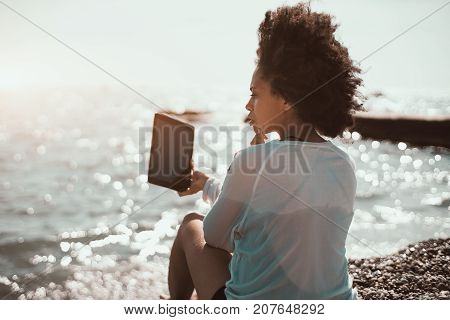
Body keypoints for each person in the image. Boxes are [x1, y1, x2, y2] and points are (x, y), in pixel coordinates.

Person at [163, 2, 365, 300]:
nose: (248, 105)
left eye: (255, 94)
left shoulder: (252, 161)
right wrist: (208, 184)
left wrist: (242, 167)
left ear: (285, 98)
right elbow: (273, 208)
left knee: (190, 224)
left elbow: (216, 236)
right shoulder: (343, 164)